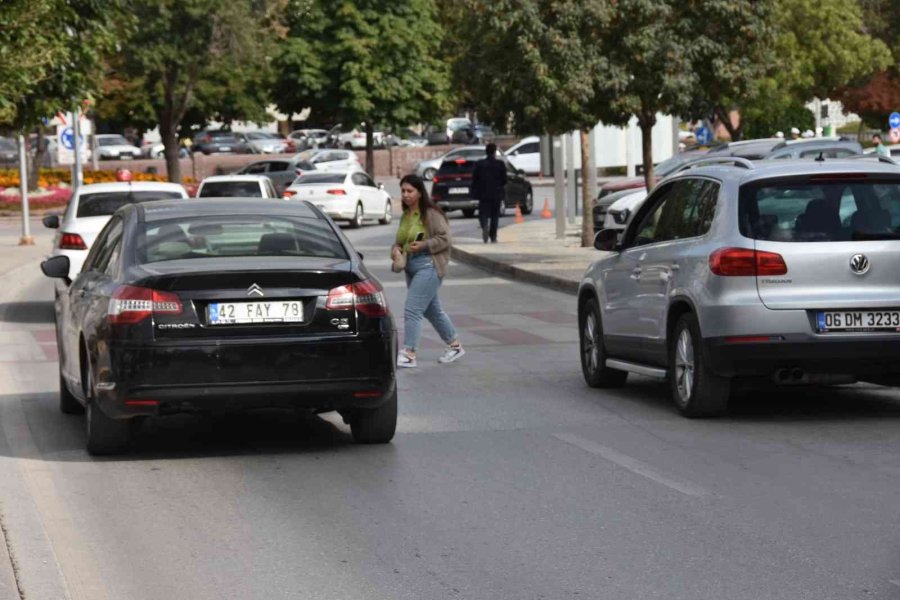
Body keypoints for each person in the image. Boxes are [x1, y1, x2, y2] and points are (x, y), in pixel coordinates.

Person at [391, 174, 464, 368]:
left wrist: (424, 245)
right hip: (411, 266)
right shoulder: (406, 215)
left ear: (420, 192)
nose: (405, 195)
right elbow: (400, 240)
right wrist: (396, 248)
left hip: (428, 265)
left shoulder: (431, 213)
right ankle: (455, 346)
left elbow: (445, 238)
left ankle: (409, 353)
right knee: (432, 311)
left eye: (410, 191)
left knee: (413, 309)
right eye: (403, 191)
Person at [470, 143, 507, 243]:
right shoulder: (500, 164)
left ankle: (485, 226)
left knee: (483, 214)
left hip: (483, 194)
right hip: (496, 193)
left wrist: (474, 191)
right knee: (495, 215)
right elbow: (504, 180)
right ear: (495, 152)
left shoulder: (479, 164)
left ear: (486, 152)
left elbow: (474, 179)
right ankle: (493, 236)